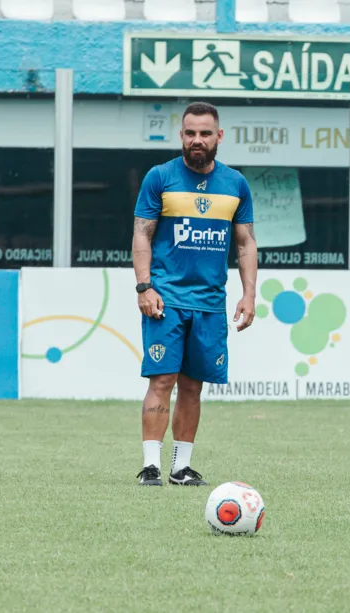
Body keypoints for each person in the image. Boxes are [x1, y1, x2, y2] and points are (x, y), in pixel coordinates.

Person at [132, 101, 257, 486]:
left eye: (205, 133)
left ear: (219, 136)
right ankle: (151, 466)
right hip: (165, 299)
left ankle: (180, 467)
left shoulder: (236, 184)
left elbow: (246, 244)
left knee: (192, 385)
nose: (197, 140)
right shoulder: (159, 177)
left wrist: (249, 294)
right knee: (163, 379)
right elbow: (142, 233)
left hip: (209, 303)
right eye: (190, 133)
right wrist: (144, 286)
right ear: (181, 135)